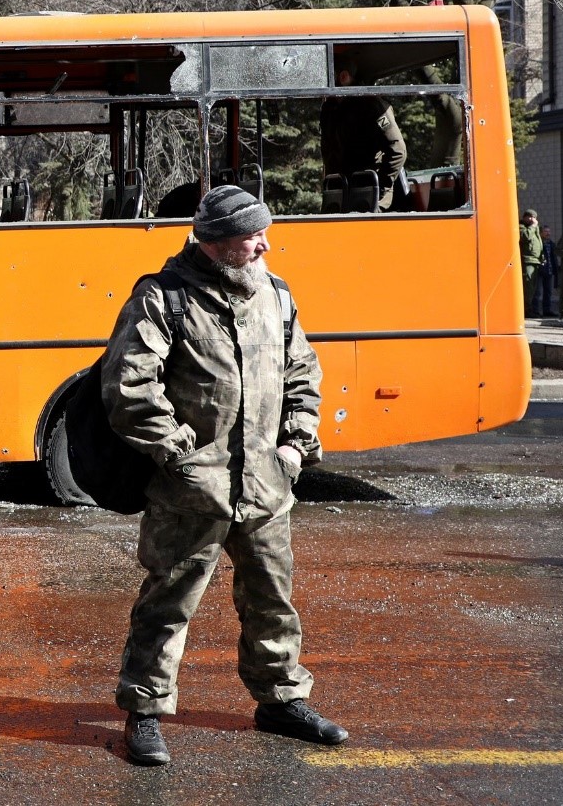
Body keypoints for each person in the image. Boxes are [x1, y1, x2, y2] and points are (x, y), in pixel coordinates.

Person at [102, 185, 343, 766]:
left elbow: (302, 373)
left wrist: (294, 445)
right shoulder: (163, 298)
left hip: (266, 487)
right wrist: (177, 450)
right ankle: (145, 713)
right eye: (251, 235)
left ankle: (281, 701)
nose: (264, 244)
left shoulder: (276, 295)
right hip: (193, 490)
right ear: (216, 243)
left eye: (264, 233)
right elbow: (128, 386)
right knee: (167, 605)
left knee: (273, 602)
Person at [320, 58, 408, 211]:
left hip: (368, 198)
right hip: (339, 194)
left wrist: (378, 187)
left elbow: (397, 150)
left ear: (343, 77)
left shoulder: (372, 105)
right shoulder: (330, 109)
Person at [518, 209, 542, 319]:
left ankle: (531, 309)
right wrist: (532, 227)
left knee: (533, 289)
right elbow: (525, 237)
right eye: (530, 217)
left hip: (535, 261)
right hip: (527, 260)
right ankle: (526, 310)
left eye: (534, 217)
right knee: (528, 287)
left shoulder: (534, 228)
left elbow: (538, 243)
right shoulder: (522, 227)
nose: (532, 220)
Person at [538, 224, 559, 318]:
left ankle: (547, 309)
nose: (548, 233)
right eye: (545, 231)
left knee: (548, 292)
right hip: (540, 270)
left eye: (549, 231)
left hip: (549, 270)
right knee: (537, 292)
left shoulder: (551, 244)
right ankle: (536, 310)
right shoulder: (539, 243)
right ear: (541, 233)